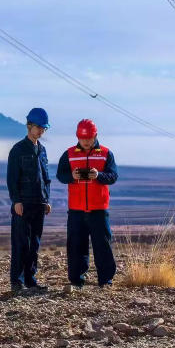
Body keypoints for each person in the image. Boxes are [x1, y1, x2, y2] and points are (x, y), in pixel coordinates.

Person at [56, 119, 118, 288]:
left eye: (89, 138)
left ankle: (106, 281)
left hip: (99, 209)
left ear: (95, 135)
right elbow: (60, 175)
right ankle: (77, 281)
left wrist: (98, 175)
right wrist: (72, 176)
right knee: (76, 246)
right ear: (77, 136)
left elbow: (113, 176)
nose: (86, 141)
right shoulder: (69, 154)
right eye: (83, 138)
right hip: (76, 210)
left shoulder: (106, 153)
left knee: (102, 245)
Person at [6, 108, 52, 293]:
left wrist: (46, 199)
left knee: (35, 243)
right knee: (21, 243)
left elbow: (45, 177)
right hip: (23, 204)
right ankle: (16, 281)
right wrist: (16, 200)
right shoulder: (18, 149)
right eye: (39, 127)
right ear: (29, 126)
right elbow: (12, 178)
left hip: (39, 204)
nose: (41, 131)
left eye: (44, 128)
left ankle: (30, 280)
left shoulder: (42, 150)